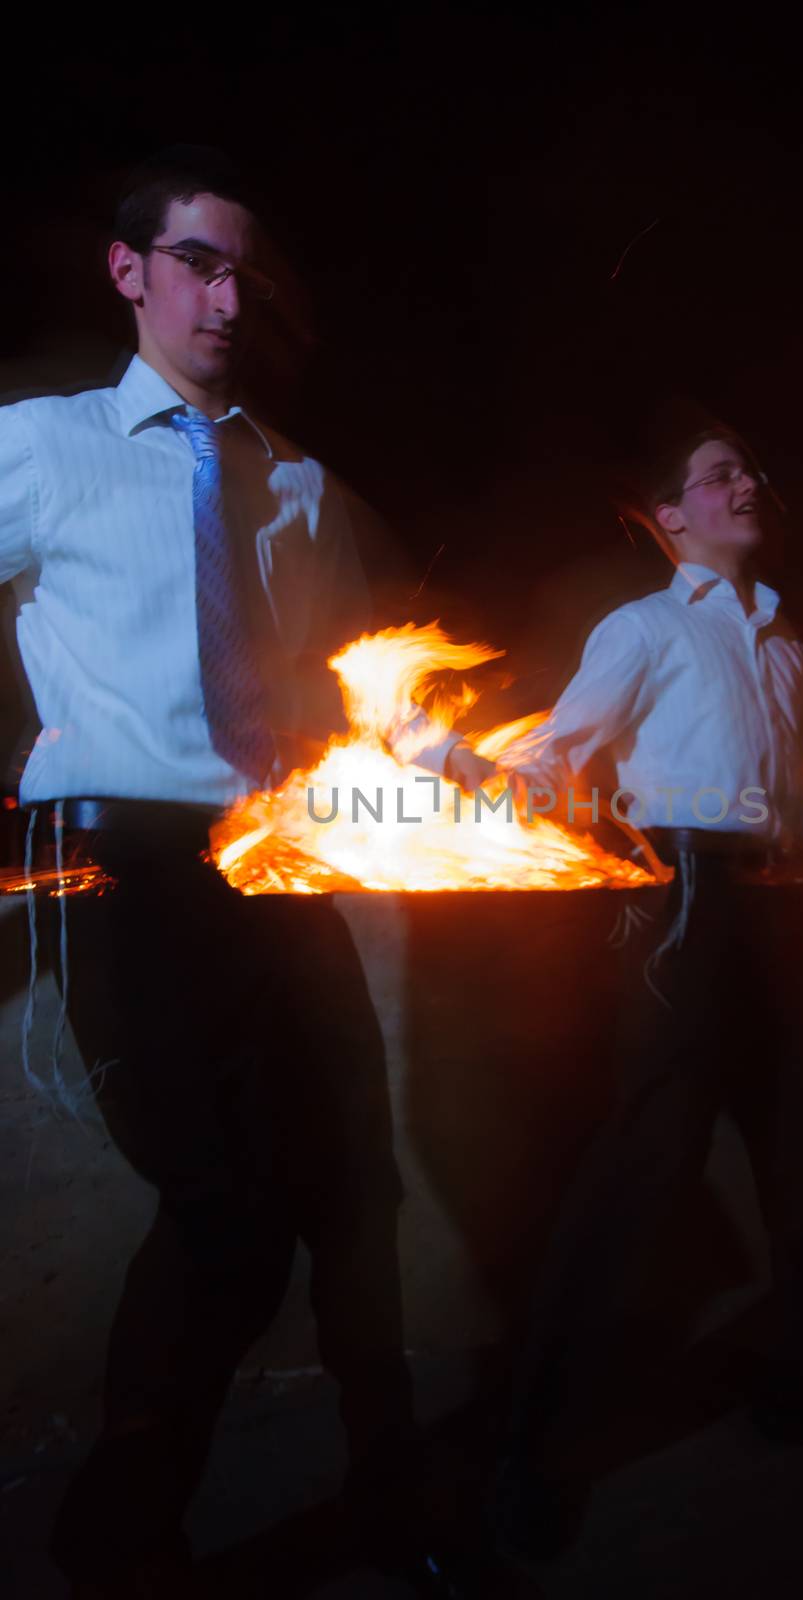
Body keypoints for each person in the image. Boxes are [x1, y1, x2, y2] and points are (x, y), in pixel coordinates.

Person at [0, 147, 484, 1597]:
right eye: (199, 261)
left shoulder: (296, 481)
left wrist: (435, 759)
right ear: (129, 270)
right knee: (219, 1209)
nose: (227, 294)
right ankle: (118, 1543)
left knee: (353, 1193)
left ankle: (393, 1505)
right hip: (129, 870)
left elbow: (344, 693)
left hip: (277, 865)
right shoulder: (40, 444)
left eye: (244, 271)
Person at [485, 424, 803, 1557]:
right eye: (716, 474)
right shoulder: (641, 628)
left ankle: (802, 1388)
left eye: (749, 470)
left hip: (764, 903)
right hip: (675, 906)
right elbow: (554, 755)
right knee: (642, 1163)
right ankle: (525, 1452)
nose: (744, 484)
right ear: (667, 515)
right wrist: (456, 764)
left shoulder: (782, 653)